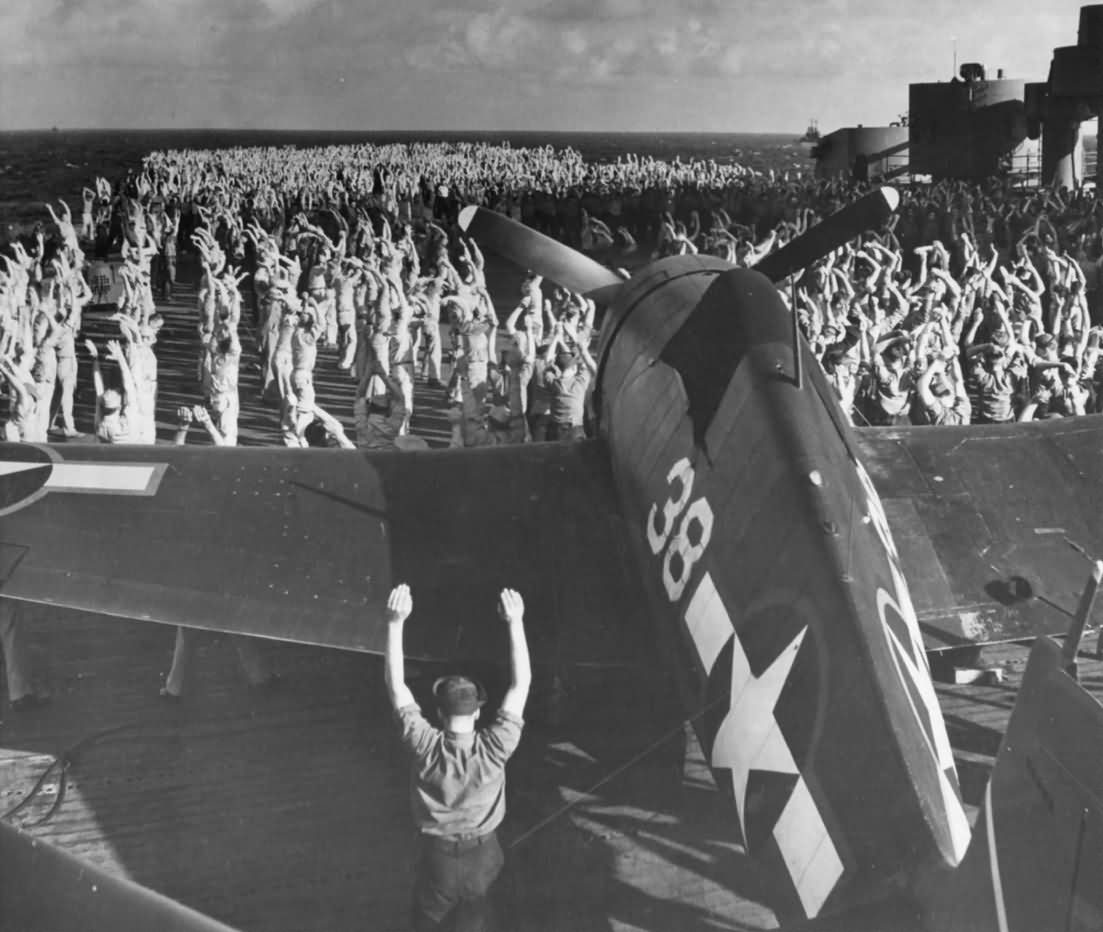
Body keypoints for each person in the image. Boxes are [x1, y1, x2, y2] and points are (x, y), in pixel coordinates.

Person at [385, 583, 531, 932]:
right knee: (478, 917)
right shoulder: (496, 747)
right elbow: (521, 684)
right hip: (485, 854)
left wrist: (395, 622)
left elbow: (396, 686)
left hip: (438, 858)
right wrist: (516, 622)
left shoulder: (424, 743)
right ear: (478, 713)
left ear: (438, 711)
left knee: (426, 919)